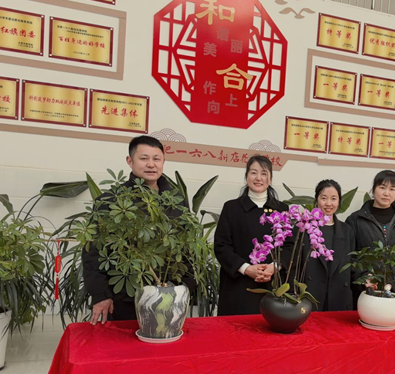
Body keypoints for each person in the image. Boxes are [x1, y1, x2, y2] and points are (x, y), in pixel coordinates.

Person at [82, 135, 196, 324]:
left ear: (163, 161)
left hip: (168, 294)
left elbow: (186, 246)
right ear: (130, 161)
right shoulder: (110, 200)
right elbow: (93, 251)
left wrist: (187, 287)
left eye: (156, 159)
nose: (151, 164)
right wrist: (100, 294)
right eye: (144, 158)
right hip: (124, 295)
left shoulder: (176, 201)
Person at [214, 155, 289, 316]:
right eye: (253, 172)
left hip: (272, 287)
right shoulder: (231, 208)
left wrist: (274, 267)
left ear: (270, 178)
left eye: (264, 173)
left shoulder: (282, 210)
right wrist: (246, 269)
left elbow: (290, 246)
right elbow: (222, 246)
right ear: (246, 176)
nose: (258, 178)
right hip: (238, 288)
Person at [346, 170, 395, 302]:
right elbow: (349, 257)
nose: (386, 193)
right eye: (382, 187)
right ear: (373, 189)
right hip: (367, 289)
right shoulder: (355, 220)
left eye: (392, 189)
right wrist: (364, 277)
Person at [299, 180, 356, 311]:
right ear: (316, 200)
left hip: (339, 298)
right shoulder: (304, 228)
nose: (329, 203)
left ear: (339, 201)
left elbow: (353, 264)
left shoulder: (347, 231)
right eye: (324, 198)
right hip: (310, 297)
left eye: (333, 198)